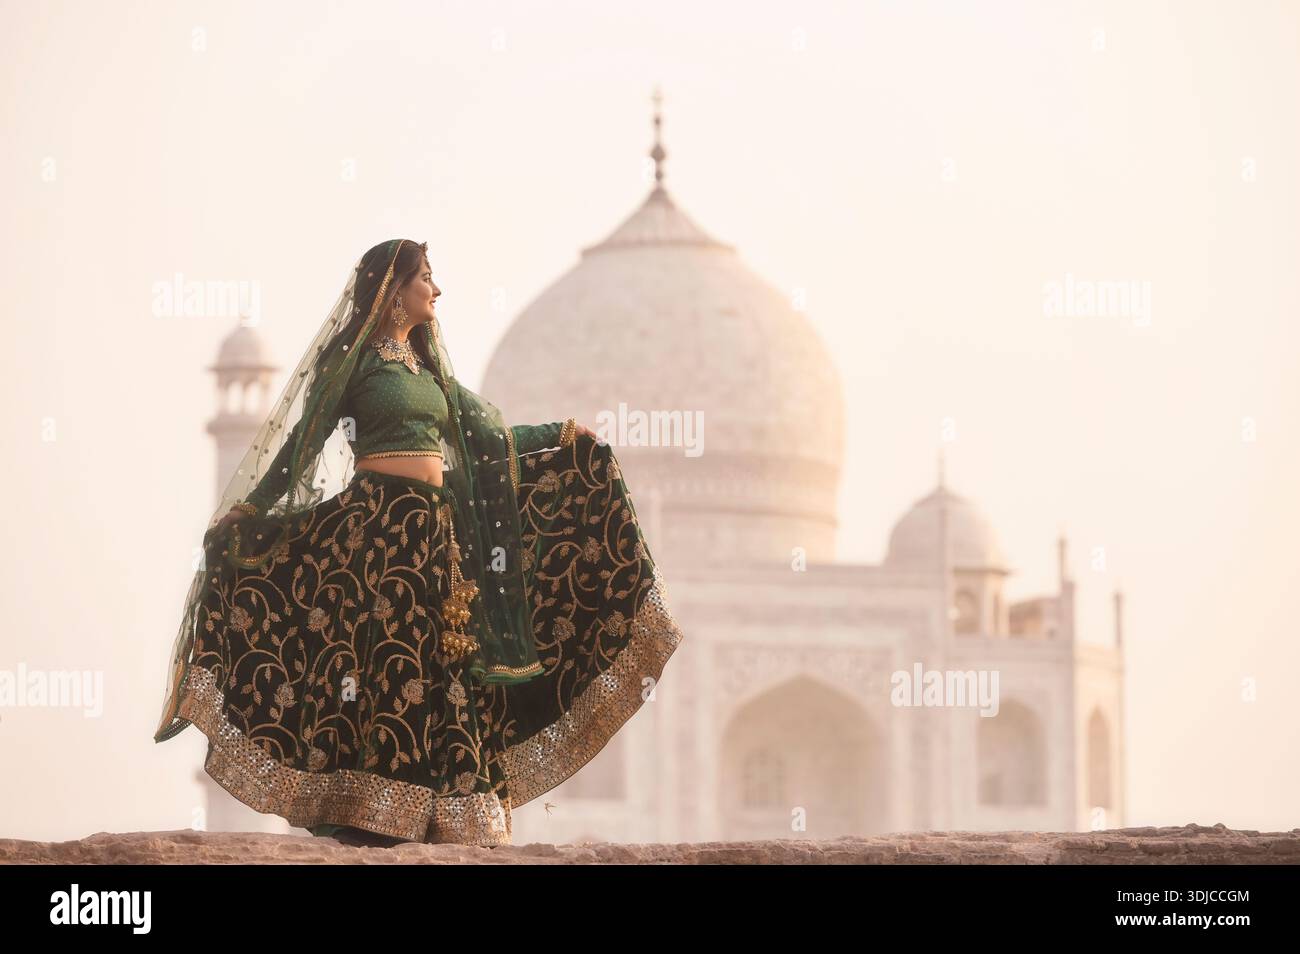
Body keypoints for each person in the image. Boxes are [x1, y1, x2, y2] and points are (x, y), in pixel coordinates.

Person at [153, 238, 685, 848]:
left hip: (436, 531)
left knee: (445, 663)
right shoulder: (353, 367)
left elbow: (484, 432)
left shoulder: (426, 369)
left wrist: (563, 437)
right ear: (392, 289)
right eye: (426, 278)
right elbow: (301, 445)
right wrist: (253, 507)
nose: (436, 290)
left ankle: (449, 809)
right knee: (387, 664)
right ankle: (376, 813)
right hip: (380, 534)